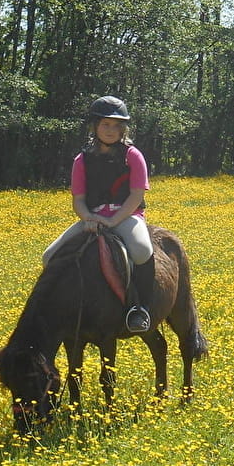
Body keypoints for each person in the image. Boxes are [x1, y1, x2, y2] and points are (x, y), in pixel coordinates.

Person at [42, 96, 153, 333]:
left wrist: (113, 221)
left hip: (126, 216)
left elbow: (135, 195)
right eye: (105, 124)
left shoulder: (133, 156)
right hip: (91, 218)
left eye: (116, 125)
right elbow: (78, 201)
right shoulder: (81, 160)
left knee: (142, 251)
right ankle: (56, 305)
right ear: (95, 126)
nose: (111, 130)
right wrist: (89, 219)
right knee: (49, 256)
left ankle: (139, 307)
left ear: (123, 128)